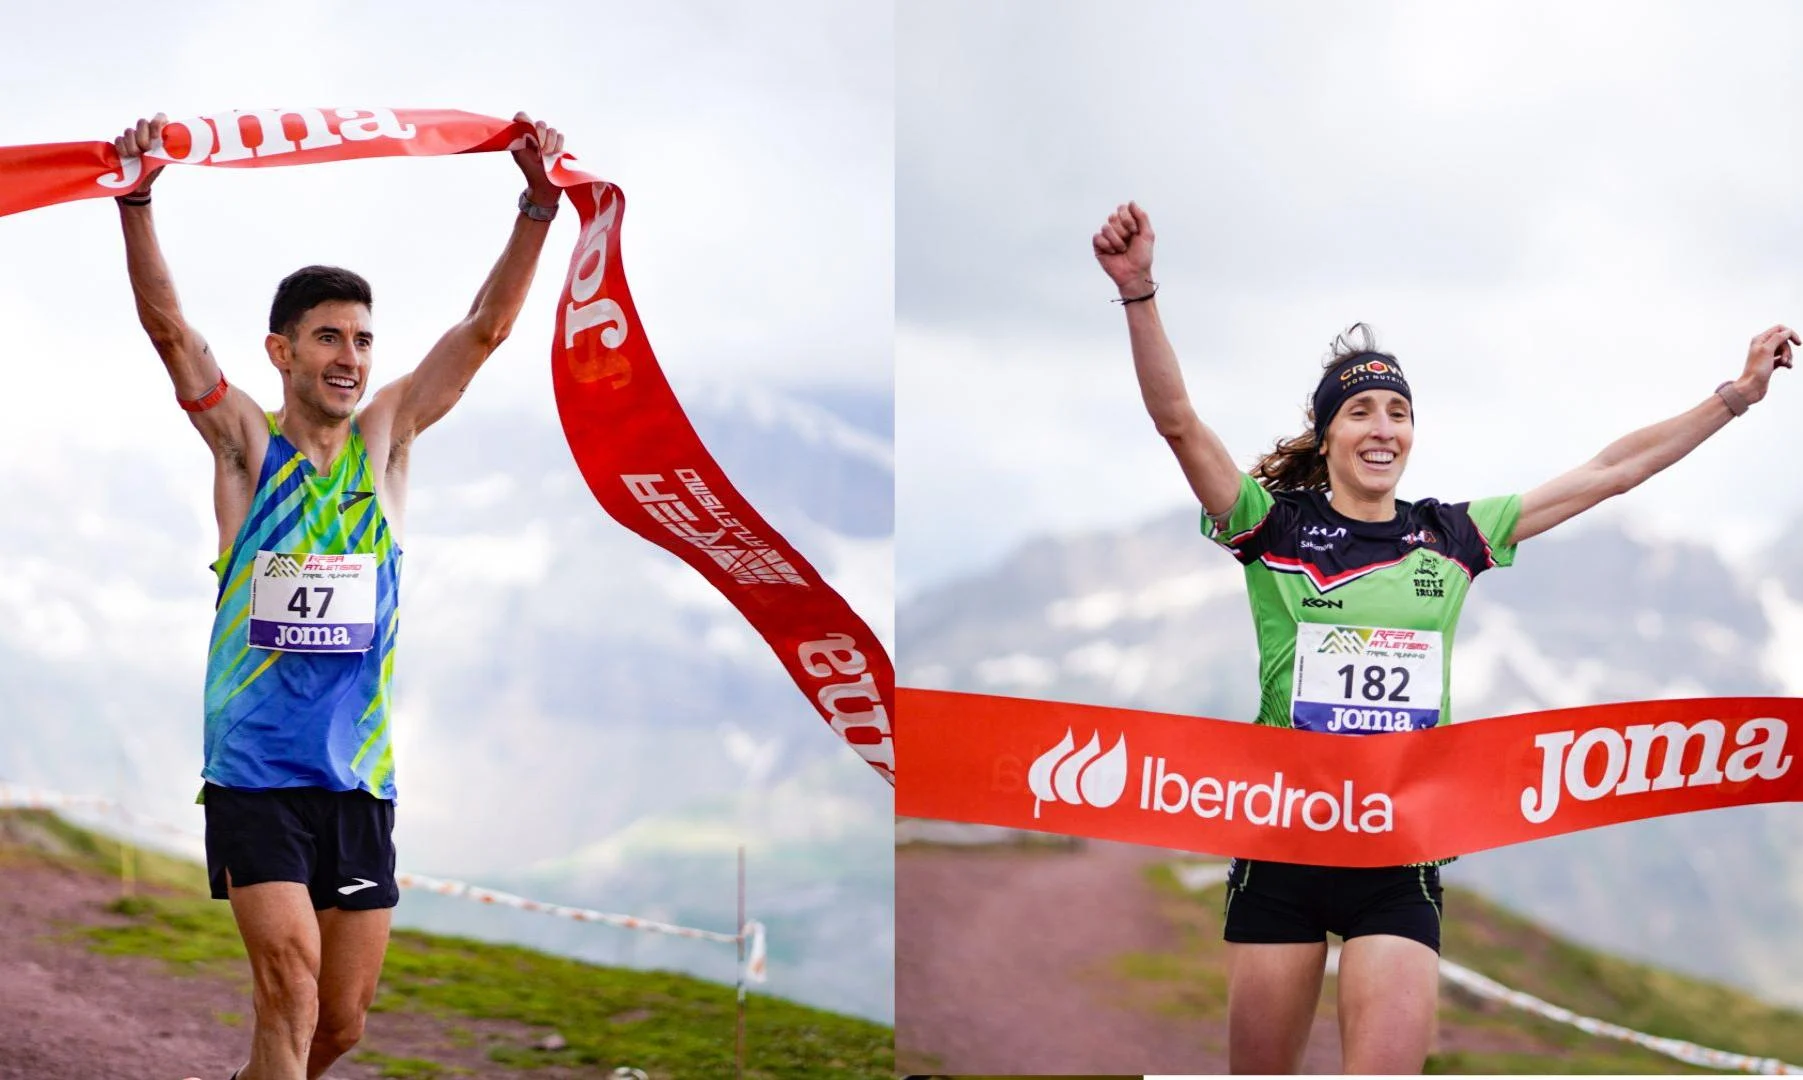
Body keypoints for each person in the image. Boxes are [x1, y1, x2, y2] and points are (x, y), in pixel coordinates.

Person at [1091, 200, 1797, 1075]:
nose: (1382, 427)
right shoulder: (1269, 527)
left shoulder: (1453, 535)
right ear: (1329, 433)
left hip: (1398, 854)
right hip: (1282, 843)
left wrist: (1734, 397)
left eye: (1398, 411)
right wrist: (1138, 293)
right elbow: (1179, 425)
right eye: (1360, 412)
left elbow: (1612, 472)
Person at [112, 111, 566, 1080]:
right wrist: (138, 199)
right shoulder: (245, 447)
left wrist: (537, 205)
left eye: (362, 340)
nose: (351, 358)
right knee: (292, 984)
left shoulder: (387, 445)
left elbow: (484, 330)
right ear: (281, 352)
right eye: (328, 338)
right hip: (254, 774)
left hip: (359, 783)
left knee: (341, 1024)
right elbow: (168, 332)